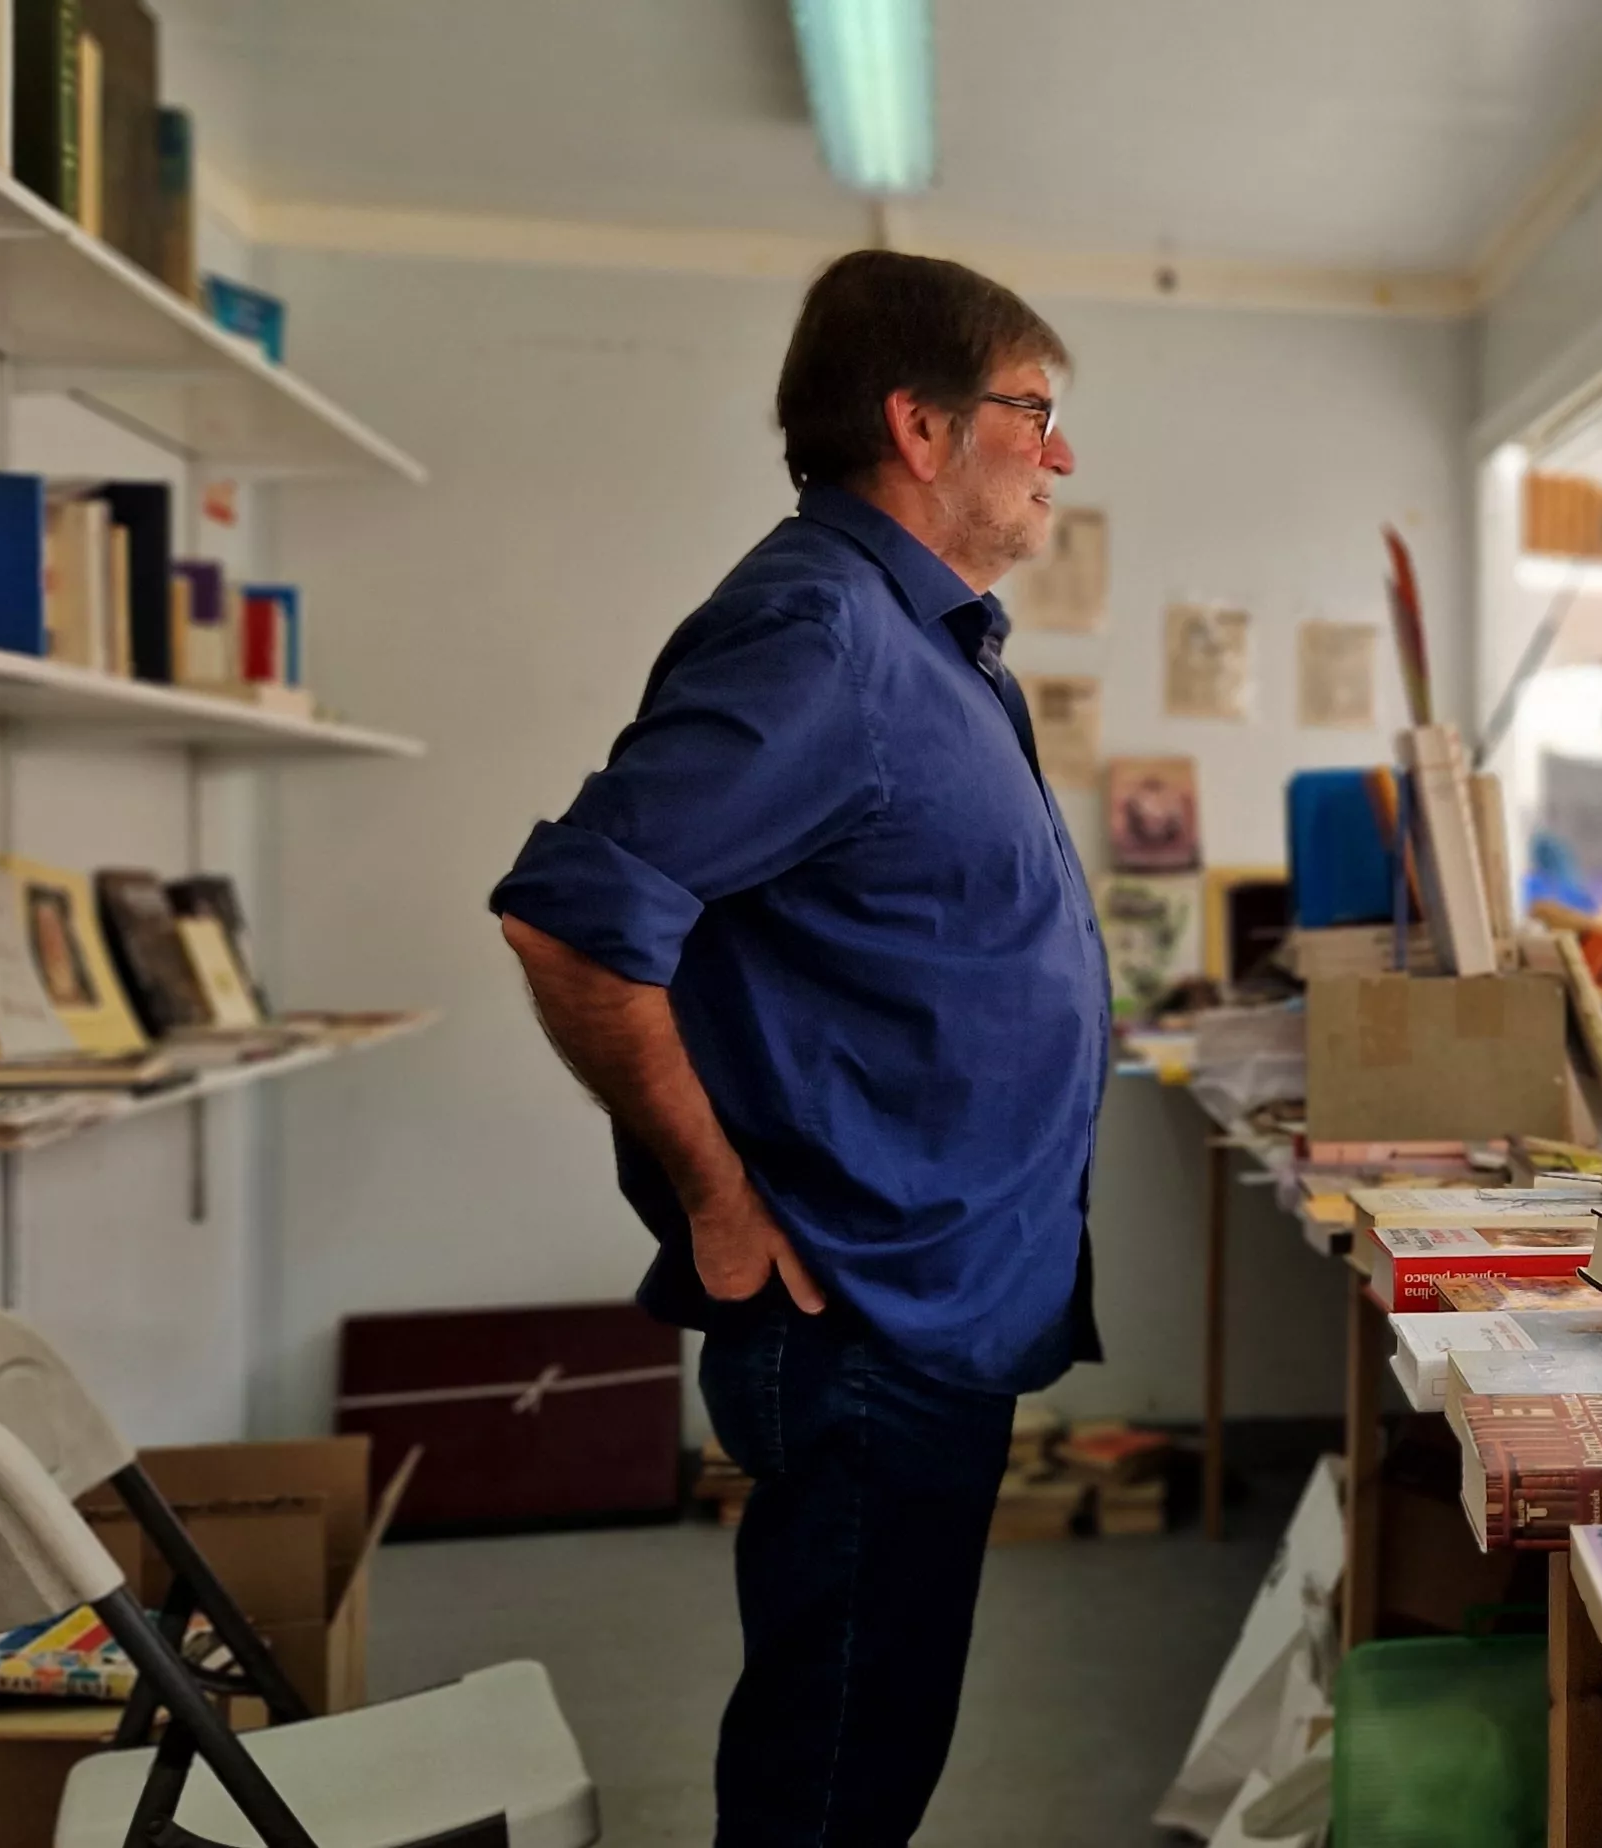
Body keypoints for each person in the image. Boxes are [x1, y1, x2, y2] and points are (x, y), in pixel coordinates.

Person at [487, 249, 1104, 1844]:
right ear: (919, 424)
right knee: (835, 1768)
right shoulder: (823, 635)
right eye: (1033, 413)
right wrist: (715, 1196)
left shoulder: (935, 646)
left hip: (931, 1290)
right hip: (856, 1306)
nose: (1060, 453)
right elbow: (574, 920)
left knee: (872, 1738)